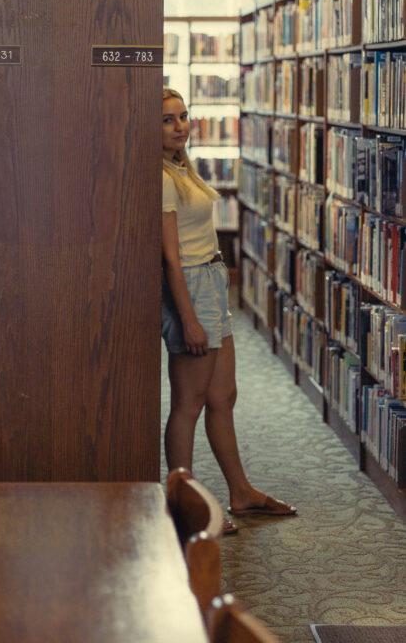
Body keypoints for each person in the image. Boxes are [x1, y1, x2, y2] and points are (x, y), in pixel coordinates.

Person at [162, 87, 296, 532]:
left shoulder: (182, 168)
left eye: (183, 116)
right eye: (167, 120)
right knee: (189, 402)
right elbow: (169, 257)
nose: (180, 125)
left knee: (223, 396)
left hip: (213, 281)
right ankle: (182, 503)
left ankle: (240, 492)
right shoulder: (160, 177)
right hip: (192, 287)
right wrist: (189, 318)